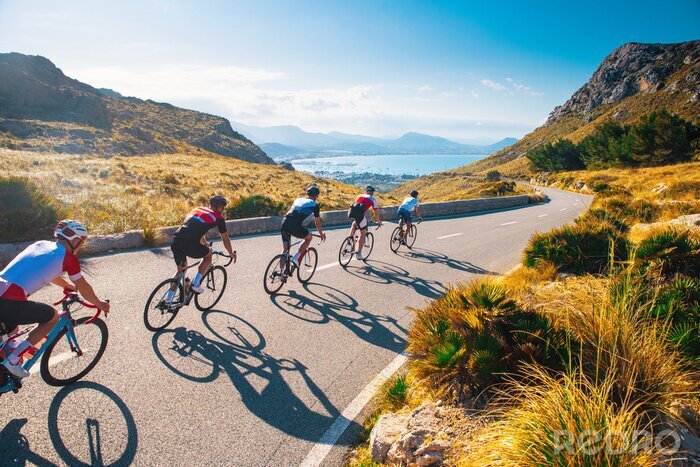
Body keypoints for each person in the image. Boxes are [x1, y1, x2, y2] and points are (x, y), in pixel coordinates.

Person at [0, 220, 110, 379]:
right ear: (74, 241)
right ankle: (13, 360)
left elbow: (47, 271)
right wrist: (99, 303)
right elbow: (84, 286)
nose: (81, 245)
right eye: (82, 241)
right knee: (52, 317)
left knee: (10, 330)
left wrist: (67, 285)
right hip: (9, 300)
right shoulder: (68, 259)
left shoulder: (41, 245)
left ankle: (6, 357)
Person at [169, 196, 236, 296]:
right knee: (209, 254)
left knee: (181, 271)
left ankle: (167, 300)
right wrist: (231, 253)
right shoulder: (219, 218)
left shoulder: (197, 209)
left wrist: (204, 243)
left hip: (176, 239)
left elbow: (192, 228)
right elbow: (225, 238)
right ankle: (195, 284)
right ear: (220, 207)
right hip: (190, 242)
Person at [281, 185, 326, 271]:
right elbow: (317, 222)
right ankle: (295, 258)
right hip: (295, 225)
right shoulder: (315, 205)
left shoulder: (298, 199)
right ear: (316, 196)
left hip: (284, 222)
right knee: (309, 238)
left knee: (285, 251)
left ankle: (281, 273)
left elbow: (295, 213)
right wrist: (321, 234)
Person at [348, 185, 382, 260]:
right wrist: (379, 222)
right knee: (363, 233)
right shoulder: (373, 199)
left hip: (350, 212)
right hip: (359, 215)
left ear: (366, 191)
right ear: (372, 193)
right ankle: (358, 253)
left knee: (354, 224)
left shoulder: (359, 195)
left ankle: (349, 238)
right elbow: (376, 213)